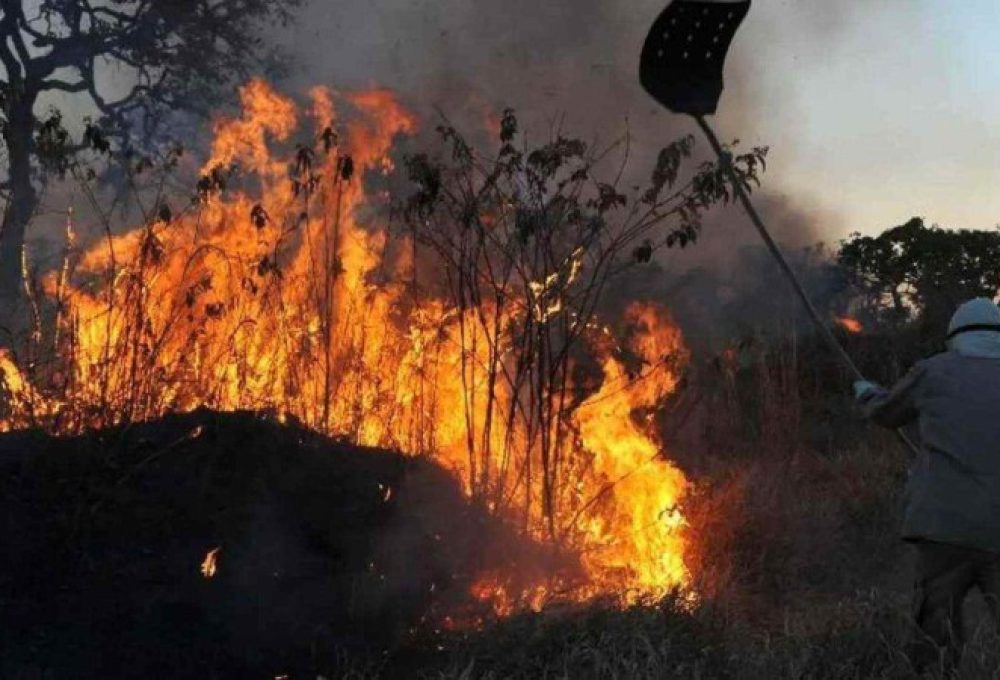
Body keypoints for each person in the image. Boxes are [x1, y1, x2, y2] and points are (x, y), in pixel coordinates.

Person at [855, 297, 1000, 675]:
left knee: (935, 638)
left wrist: (867, 393)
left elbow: (887, 413)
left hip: (943, 528)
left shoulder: (933, 372)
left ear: (955, 336)